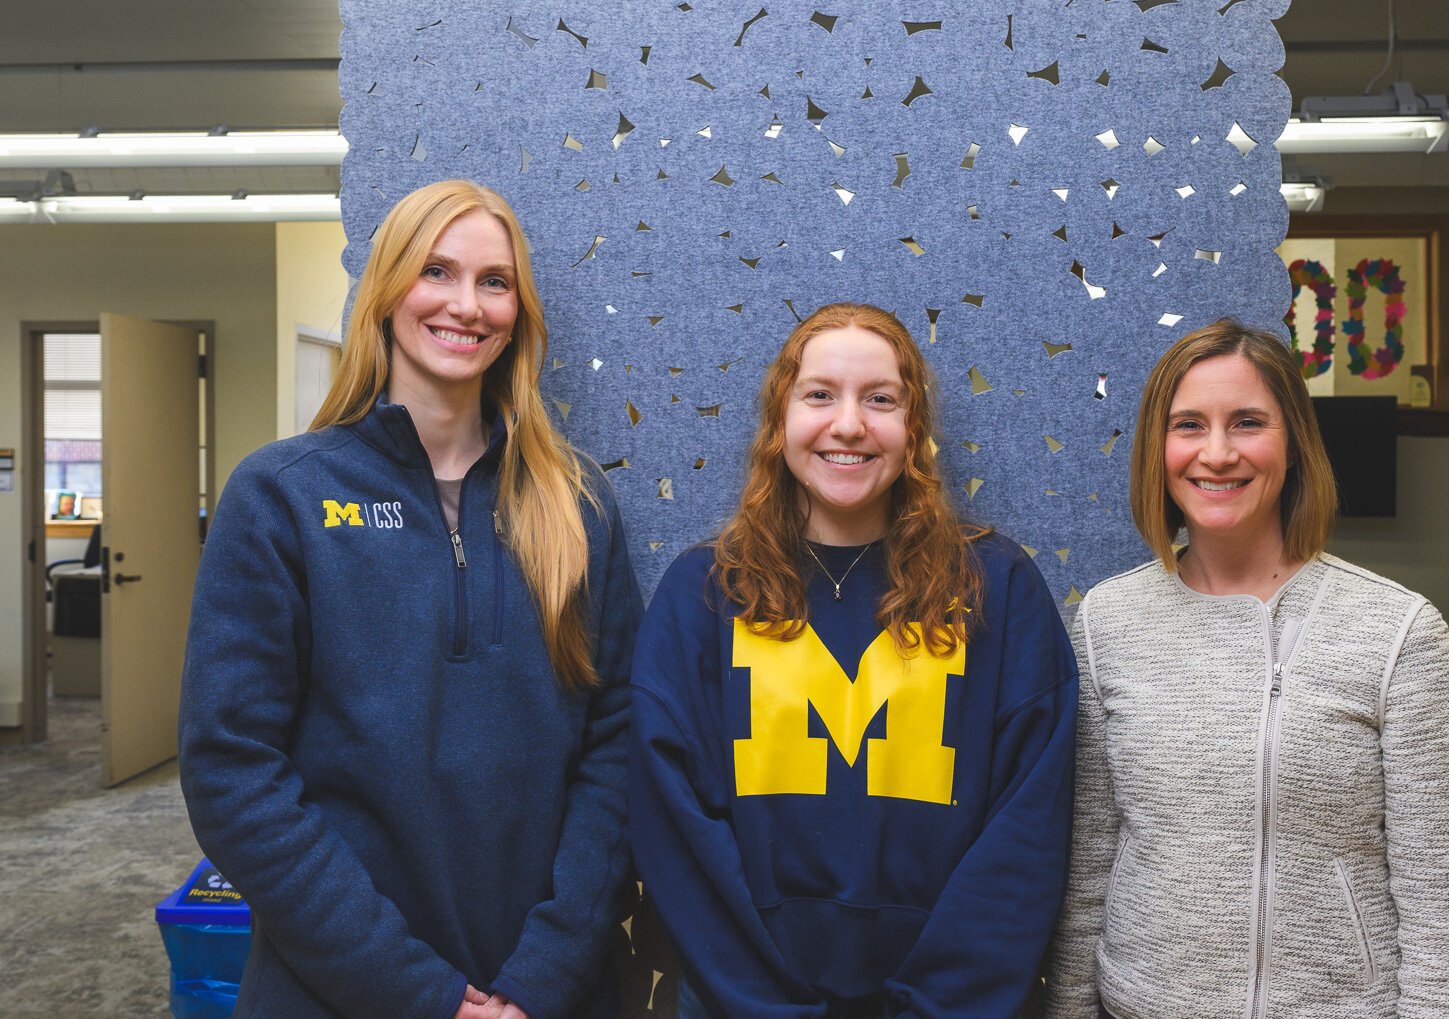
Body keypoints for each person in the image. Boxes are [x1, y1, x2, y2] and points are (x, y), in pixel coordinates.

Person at [179, 180, 642, 1019]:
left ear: (519, 310)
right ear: (388, 289)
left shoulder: (577, 505)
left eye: (495, 281)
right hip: (340, 990)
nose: (467, 304)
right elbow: (232, 771)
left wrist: (540, 977)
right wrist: (419, 995)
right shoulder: (282, 497)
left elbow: (619, 755)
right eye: (437, 271)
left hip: (550, 992)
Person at [630, 302, 1078, 1018]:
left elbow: (1026, 838)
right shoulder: (705, 595)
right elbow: (674, 831)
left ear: (914, 430)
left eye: (880, 399)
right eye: (819, 395)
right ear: (779, 422)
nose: (847, 424)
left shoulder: (998, 590)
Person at [1046, 319, 1449, 1018]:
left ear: (1293, 443)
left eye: (1248, 422)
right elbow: (1091, 863)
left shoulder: (1398, 631)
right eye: (1189, 424)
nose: (1217, 453)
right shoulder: (1108, 621)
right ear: (1157, 449)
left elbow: (1445, 900)